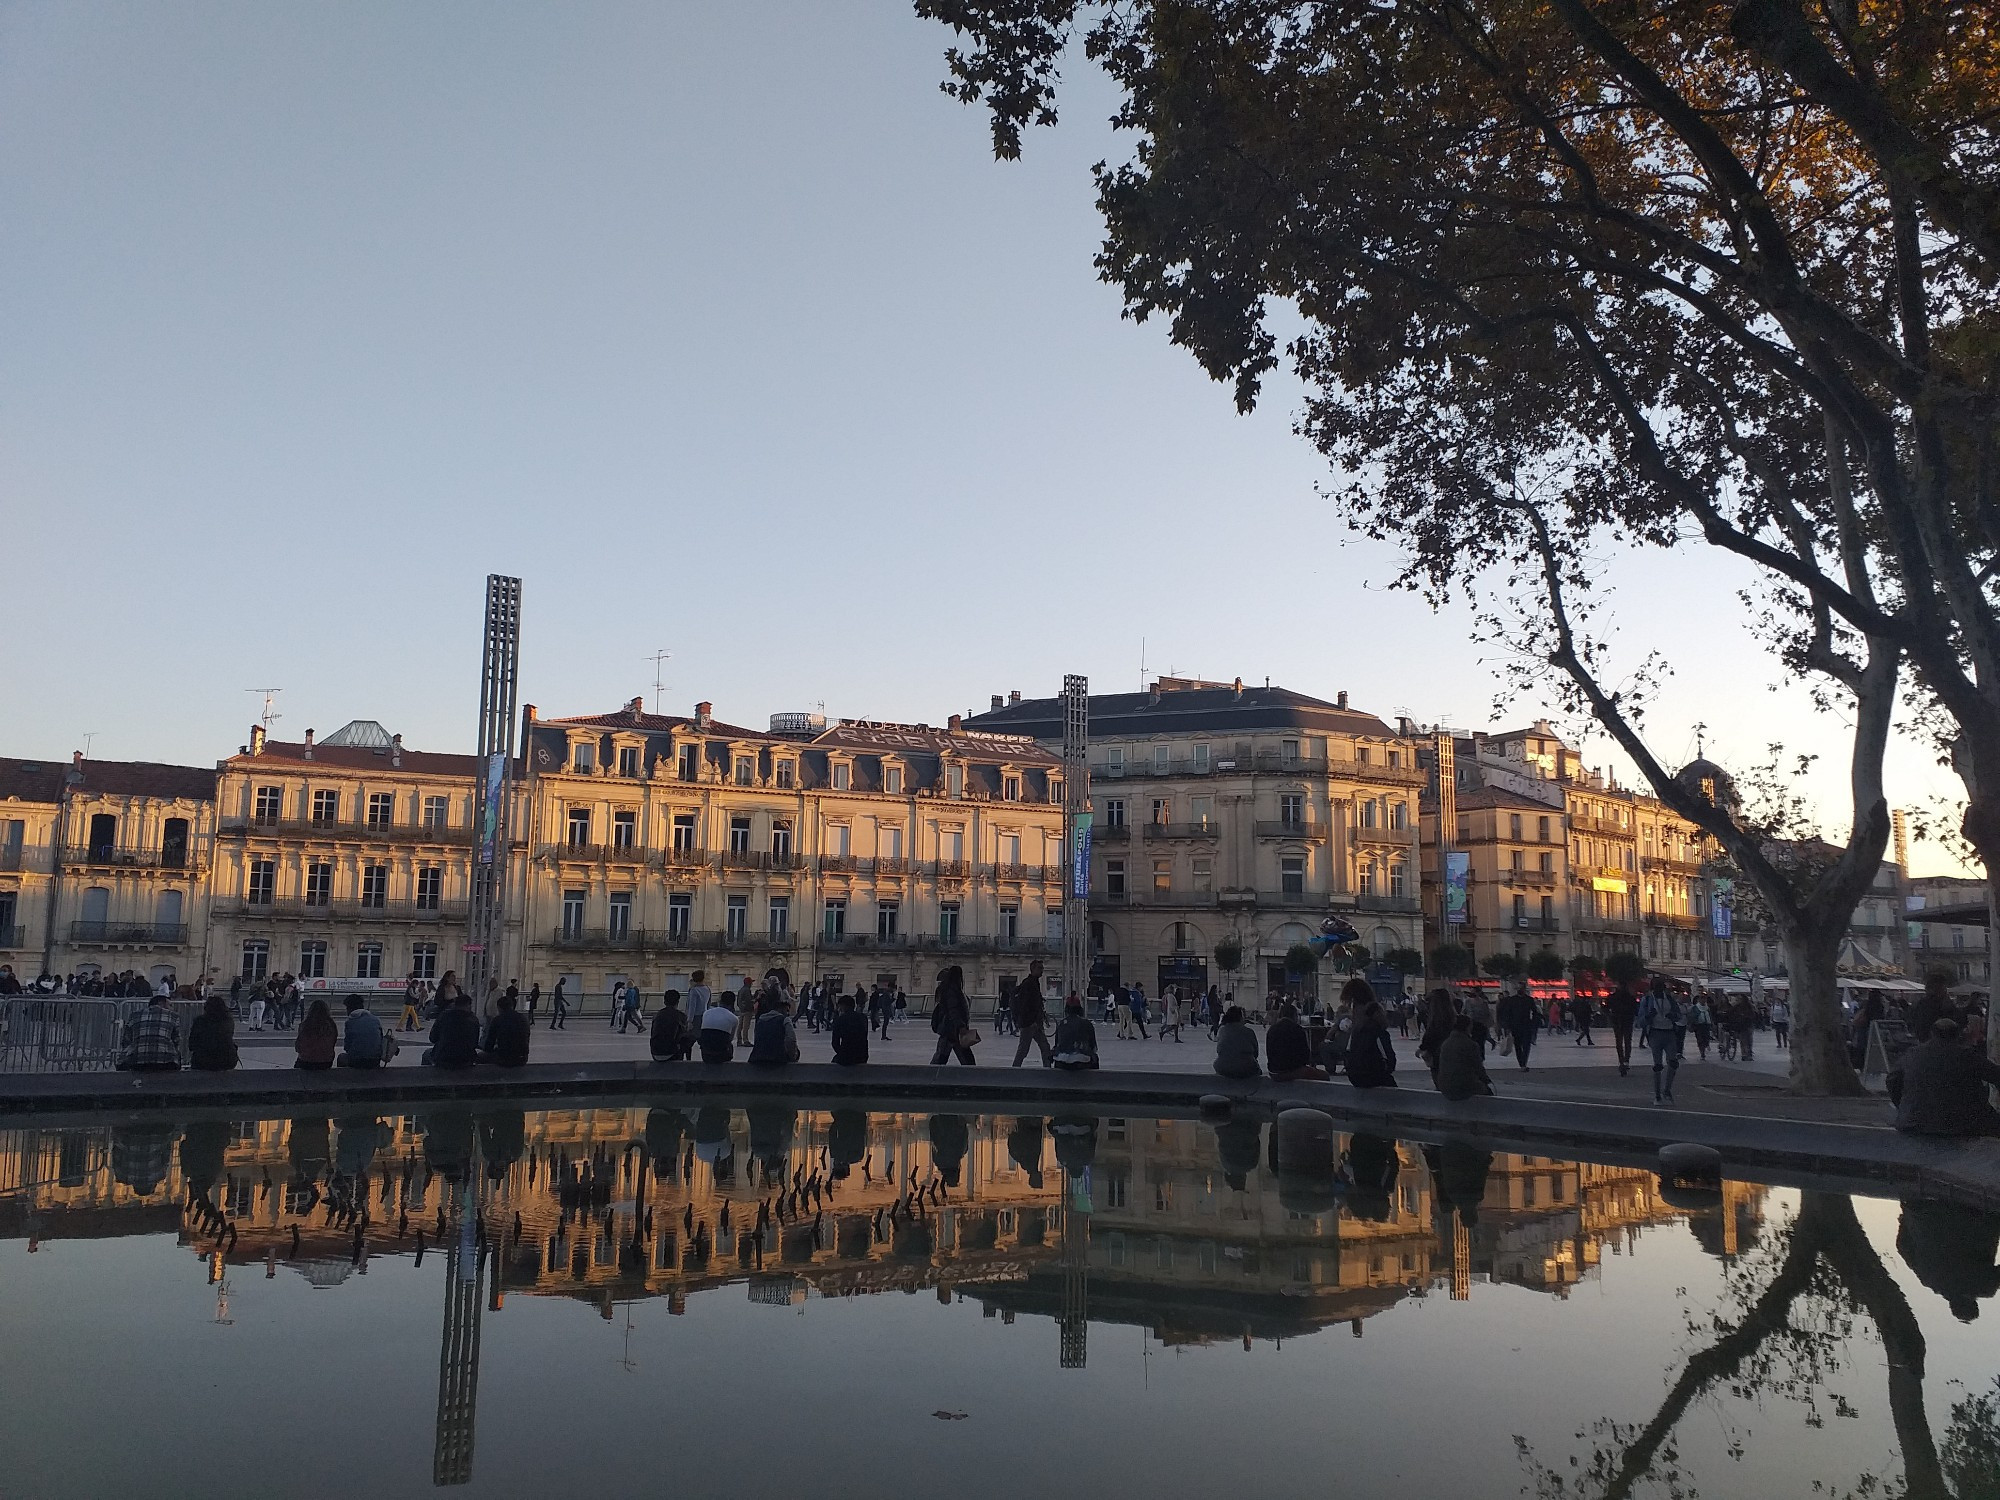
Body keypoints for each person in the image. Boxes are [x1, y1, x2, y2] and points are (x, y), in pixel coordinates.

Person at [1888, 1019, 2000, 1137]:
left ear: (1932, 1033)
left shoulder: (1913, 1054)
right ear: (1957, 1034)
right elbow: (1996, 1075)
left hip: (1912, 1123)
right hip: (1960, 1124)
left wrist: (1905, 1106)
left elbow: (1892, 1080)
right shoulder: (1966, 1056)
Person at [1636, 979, 1687, 1104]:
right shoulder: (1648, 1000)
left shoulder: (1669, 999)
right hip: (1655, 1032)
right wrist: (1649, 1016)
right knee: (1658, 1064)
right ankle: (1658, 1094)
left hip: (1669, 1032)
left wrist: (1673, 1016)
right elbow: (1639, 1022)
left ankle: (1667, 1090)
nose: (1659, 990)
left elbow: (1678, 1015)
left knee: (1673, 1062)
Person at [1435, 1016, 1494, 1100]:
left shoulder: (1446, 1043)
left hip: (1445, 1085)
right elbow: (1478, 1067)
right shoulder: (1470, 1044)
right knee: (1487, 1093)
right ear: (1468, 1027)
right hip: (1463, 1085)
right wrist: (1486, 1080)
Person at [1266, 1003, 1329, 1081]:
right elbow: (1304, 1055)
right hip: (1290, 1071)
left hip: (1273, 1071)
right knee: (1324, 1075)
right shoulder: (1297, 1029)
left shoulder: (1272, 1029)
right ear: (1294, 1015)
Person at [929, 965, 977, 1066]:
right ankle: (971, 1074)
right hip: (952, 1029)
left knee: (943, 1054)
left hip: (950, 1029)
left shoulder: (949, 989)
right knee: (963, 1056)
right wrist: (961, 1026)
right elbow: (953, 1010)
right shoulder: (952, 990)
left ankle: (932, 1073)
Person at [1343, 1001, 1398, 1088]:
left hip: (1354, 1076)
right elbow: (1389, 1056)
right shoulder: (1379, 1032)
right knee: (1393, 1089)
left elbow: (1348, 1052)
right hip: (1372, 1075)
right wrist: (1387, 1068)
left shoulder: (1356, 1032)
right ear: (1378, 1014)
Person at [1010, 958, 1053, 1068]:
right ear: (1032, 969)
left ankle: (1047, 1068)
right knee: (1024, 1049)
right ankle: (1014, 1069)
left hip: (1034, 1023)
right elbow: (1025, 1004)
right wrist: (1030, 1021)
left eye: (1042, 968)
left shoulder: (1033, 983)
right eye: (1039, 968)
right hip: (1029, 1023)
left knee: (1044, 1047)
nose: (1042, 971)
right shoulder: (1029, 983)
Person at [425, 991, 481, 1070]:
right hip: (466, 1058)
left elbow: (433, 1038)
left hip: (444, 1057)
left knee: (426, 1054)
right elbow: (474, 1043)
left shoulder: (444, 1016)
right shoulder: (474, 1020)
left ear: (455, 1004)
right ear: (469, 1005)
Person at [1495, 978, 1538, 1071]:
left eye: (1521, 988)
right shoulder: (1512, 1000)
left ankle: (1523, 1063)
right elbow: (1508, 1013)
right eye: (1519, 988)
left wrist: (1533, 1023)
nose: (1520, 990)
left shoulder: (1529, 1000)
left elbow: (1535, 1012)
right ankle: (1522, 1063)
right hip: (1515, 1026)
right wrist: (1507, 1026)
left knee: (1526, 1045)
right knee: (1518, 1045)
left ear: (1524, 989)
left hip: (1526, 1025)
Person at [187, 994, 238, 1071]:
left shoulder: (200, 1021)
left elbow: (192, 1043)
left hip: (203, 1060)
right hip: (227, 1059)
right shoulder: (228, 1021)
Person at [748, 996, 800, 1067]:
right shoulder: (784, 1019)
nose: (788, 1013)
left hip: (757, 1056)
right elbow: (791, 1040)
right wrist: (793, 1056)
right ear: (782, 1009)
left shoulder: (761, 1020)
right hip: (777, 1058)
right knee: (797, 1052)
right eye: (787, 1011)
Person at [482, 991, 531, 1067]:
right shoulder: (523, 1018)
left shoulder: (497, 1020)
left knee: (480, 1057)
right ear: (512, 1006)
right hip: (522, 1057)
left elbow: (489, 1044)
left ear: (499, 1008)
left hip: (504, 1057)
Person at [338, 996, 387, 1069]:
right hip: (375, 1060)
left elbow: (347, 1046)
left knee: (341, 1057)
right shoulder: (375, 1019)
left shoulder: (350, 1022)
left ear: (349, 1008)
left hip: (357, 1060)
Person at [1213, 1006, 1261, 1079]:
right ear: (1240, 1017)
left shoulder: (1222, 1030)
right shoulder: (1249, 1032)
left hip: (1223, 1066)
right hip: (1246, 1067)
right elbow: (1256, 1053)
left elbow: (1219, 1050)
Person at [1052, 998, 1099, 1070]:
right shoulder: (1087, 1023)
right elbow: (1093, 1046)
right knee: (1094, 1057)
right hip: (1081, 1060)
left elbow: (1057, 1044)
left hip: (1062, 1061)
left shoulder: (1061, 1023)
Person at [1607, 979, 1640, 1077]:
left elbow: (1606, 1007)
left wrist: (1610, 1014)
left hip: (1617, 1020)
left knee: (1619, 1041)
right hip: (1627, 1021)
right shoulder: (1630, 997)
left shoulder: (1613, 997)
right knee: (1627, 1041)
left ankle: (1622, 1060)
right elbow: (1635, 1009)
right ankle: (1626, 1060)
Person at [294, 999, 338, 1071]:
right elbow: (333, 1042)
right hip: (326, 1062)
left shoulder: (305, 1025)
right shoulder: (331, 1025)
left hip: (306, 1061)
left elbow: (298, 1047)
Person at [1850, 990, 1886, 1071]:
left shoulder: (1866, 1004)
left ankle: (1860, 1064)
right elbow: (1881, 1016)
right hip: (1874, 1028)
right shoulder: (1879, 1006)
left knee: (1862, 1046)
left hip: (1863, 1027)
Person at [650, 990, 692, 1061]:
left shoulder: (657, 1015)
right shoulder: (681, 1016)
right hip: (671, 1052)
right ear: (678, 1002)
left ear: (664, 1002)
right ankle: (687, 1061)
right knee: (688, 1036)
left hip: (655, 1051)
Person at [830, 991, 869, 1066]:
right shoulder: (863, 1018)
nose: (839, 1009)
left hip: (846, 1055)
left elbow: (835, 1043)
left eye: (840, 1006)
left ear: (843, 1006)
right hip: (862, 1055)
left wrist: (842, 1053)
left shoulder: (840, 1020)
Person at [698, 992, 738, 1063]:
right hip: (721, 1053)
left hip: (705, 1052)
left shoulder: (706, 1013)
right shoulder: (734, 1018)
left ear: (720, 1001)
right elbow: (730, 1039)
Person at [1688, 993, 1714, 1060]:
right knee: (1700, 1039)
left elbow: (1710, 1016)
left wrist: (1711, 1023)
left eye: (1704, 998)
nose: (1703, 1000)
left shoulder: (1707, 1008)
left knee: (1706, 1038)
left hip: (1706, 1025)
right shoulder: (1695, 1008)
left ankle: (1705, 1046)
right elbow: (1692, 1017)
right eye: (1702, 998)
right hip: (1698, 1025)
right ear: (1699, 999)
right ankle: (1702, 1053)